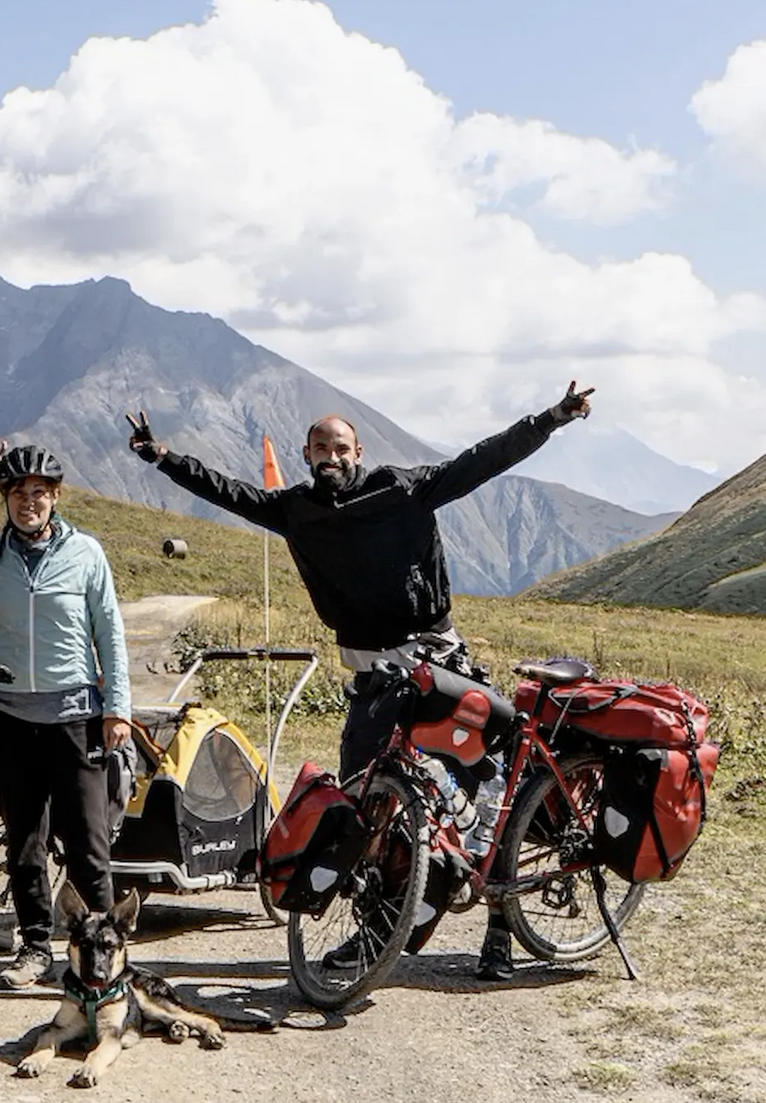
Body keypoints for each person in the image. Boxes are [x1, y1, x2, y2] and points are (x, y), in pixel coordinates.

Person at [124, 381, 595, 981]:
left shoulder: (403, 488)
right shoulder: (295, 510)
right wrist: (161, 457)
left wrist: (551, 417)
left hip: (438, 665)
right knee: (365, 810)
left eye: (341, 447)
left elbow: (483, 459)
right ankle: (377, 931)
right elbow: (226, 491)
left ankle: (499, 929)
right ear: (306, 456)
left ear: (359, 451)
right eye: (321, 448)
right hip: (371, 681)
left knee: (489, 788)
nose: (332, 457)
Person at [0, 446, 132, 990]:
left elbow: (110, 635)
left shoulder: (86, 554)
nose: (29, 502)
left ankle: (103, 956)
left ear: (55, 498)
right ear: (6, 499)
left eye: (40, 493)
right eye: (19, 493)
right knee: (24, 840)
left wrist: (116, 707)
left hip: (74, 716)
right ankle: (34, 947)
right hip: (7, 718)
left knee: (87, 844)